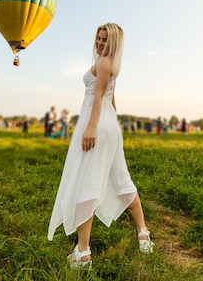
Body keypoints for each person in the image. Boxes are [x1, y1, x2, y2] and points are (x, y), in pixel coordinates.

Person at [48, 23, 153, 269]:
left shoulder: (105, 62)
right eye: (98, 37)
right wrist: (112, 128)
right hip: (106, 125)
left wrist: (93, 127)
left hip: (96, 124)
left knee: (88, 184)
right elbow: (111, 97)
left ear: (114, 42)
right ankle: (143, 232)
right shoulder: (110, 63)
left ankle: (83, 253)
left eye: (105, 39)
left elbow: (98, 97)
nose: (100, 42)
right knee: (120, 178)